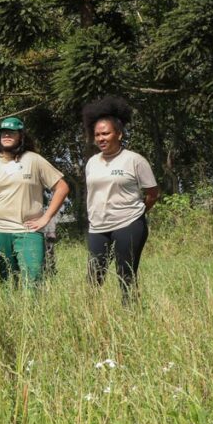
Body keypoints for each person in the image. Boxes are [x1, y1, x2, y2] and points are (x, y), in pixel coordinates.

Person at [0, 116, 69, 286]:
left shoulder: (34, 160)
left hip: (28, 231)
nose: (7, 136)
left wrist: (46, 218)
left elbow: (62, 188)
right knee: (2, 280)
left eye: (11, 132)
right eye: (3, 132)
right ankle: (7, 312)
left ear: (21, 136)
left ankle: (32, 312)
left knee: (33, 278)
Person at [82, 97, 159, 302]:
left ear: (119, 133)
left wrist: (137, 213)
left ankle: (131, 317)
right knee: (93, 277)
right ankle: (90, 318)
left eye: (106, 133)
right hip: (98, 226)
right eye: (97, 134)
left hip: (128, 223)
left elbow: (152, 193)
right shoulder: (91, 162)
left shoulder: (134, 160)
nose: (101, 138)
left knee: (126, 275)